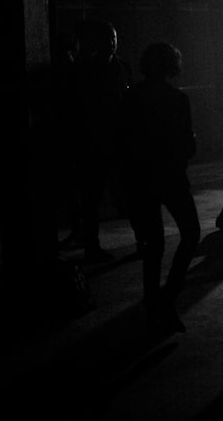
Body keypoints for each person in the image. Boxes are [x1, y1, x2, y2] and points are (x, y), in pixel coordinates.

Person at [119, 41, 200, 333]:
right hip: (172, 176)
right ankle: (169, 296)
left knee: (153, 244)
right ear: (172, 66)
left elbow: (123, 142)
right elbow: (188, 146)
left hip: (140, 176)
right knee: (190, 234)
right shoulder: (177, 99)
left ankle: (152, 299)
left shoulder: (131, 98)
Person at [64, 18, 131, 264]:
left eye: (113, 39)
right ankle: (92, 245)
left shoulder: (120, 67)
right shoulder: (86, 71)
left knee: (122, 195)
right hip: (95, 143)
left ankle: (98, 244)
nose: (112, 44)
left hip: (115, 141)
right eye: (108, 39)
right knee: (93, 199)